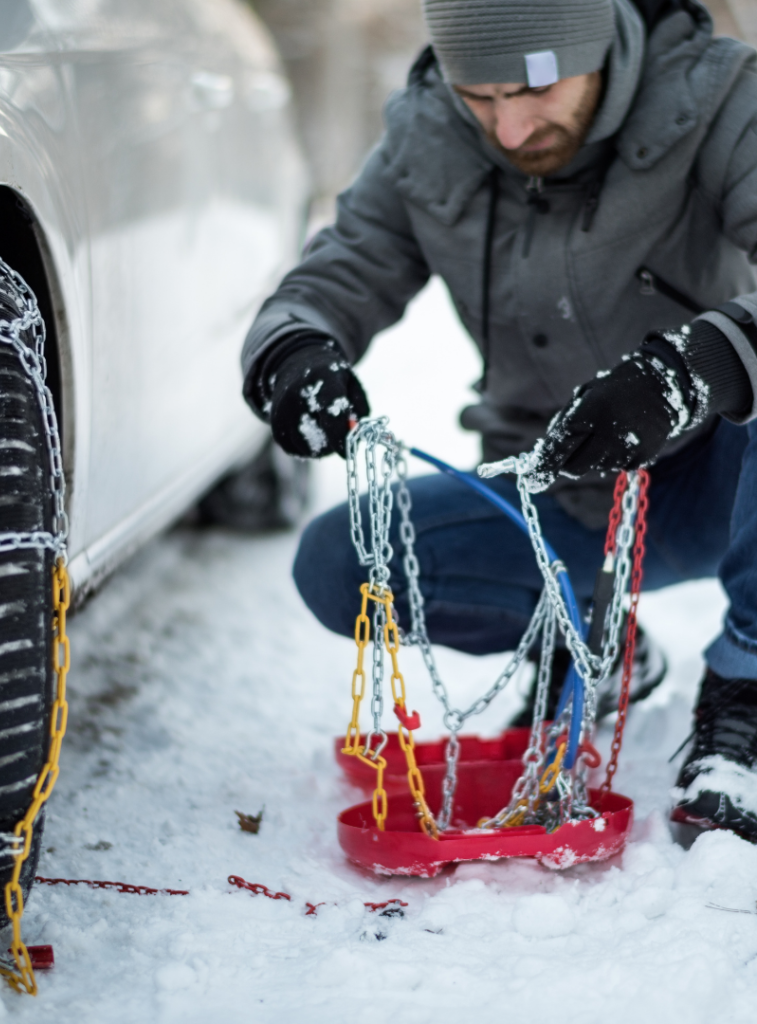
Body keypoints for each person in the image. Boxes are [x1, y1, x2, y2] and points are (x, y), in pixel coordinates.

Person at [241, 0, 757, 842]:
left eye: (536, 88)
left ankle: (747, 695)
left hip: (723, 474)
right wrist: (292, 351)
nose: (510, 129)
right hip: (570, 488)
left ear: (598, 49)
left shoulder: (721, 97)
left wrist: (691, 370)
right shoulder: (428, 133)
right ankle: (599, 646)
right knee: (340, 563)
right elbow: (334, 273)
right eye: (479, 96)